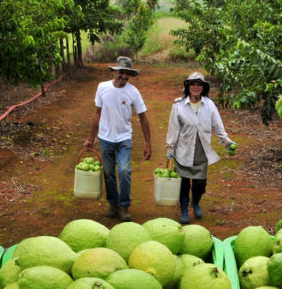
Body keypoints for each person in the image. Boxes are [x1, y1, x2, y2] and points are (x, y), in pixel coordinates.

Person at [83, 56, 152, 221]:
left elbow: (143, 117)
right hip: (105, 138)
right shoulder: (102, 88)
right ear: (115, 72)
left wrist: (148, 143)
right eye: (121, 72)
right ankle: (113, 205)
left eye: (127, 73)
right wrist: (90, 138)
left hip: (124, 138)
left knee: (124, 170)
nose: (124, 76)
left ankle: (124, 206)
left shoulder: (133, 92)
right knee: (108, 173)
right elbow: (97, 113)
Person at [165, 71, 235, 224]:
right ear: (188, 86)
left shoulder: (209, 105)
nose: (196, 87)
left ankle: (195, 202)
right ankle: (184, 210)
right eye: (193, 84)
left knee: (200, 183)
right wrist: (170, 149)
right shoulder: (178, 105)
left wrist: (227, 142)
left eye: (199, 84)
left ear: (203, 87)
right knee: (184, 182)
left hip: (201, 150)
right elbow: (173, 128)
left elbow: (217, 125)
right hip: (183, 150)